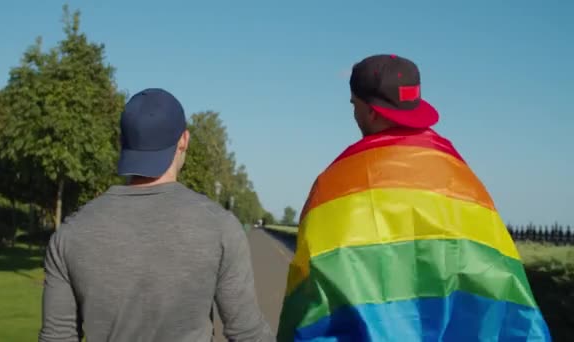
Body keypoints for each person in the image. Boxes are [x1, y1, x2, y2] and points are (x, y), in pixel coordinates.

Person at [277, 54, 552, 341]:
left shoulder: (333, 185)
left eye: (353, 104)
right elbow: (507, 295)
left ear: (371, 112)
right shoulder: (464, 180)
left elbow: (307, 294)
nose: (353, 112)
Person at [39, 88, 274, 342]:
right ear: (183, 140)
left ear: (123, 142)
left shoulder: (69, 235)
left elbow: (56, 337)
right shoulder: (220, 227)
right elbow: (247, 333)